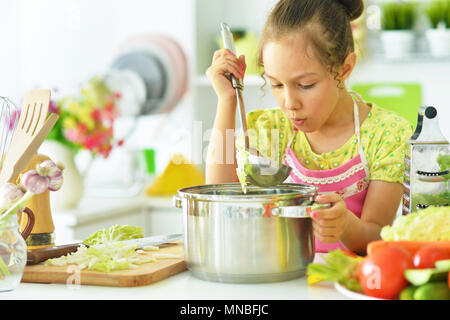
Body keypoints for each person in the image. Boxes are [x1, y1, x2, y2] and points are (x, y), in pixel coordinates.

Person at [205, 0, 413, 254]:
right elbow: (220, 198)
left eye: (305, 85)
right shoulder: (271, 129)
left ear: (344, 68)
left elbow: (376, 236)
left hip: (345, 286)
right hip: (280, 280)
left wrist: (346, 225)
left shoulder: (385, 134)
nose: (290, 104)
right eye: (277, 85)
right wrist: (226, 101)